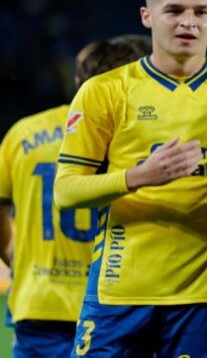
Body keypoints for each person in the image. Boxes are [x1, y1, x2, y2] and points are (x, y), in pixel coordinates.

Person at [53, 0, 207, 357]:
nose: (188, 22)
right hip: (119, 291)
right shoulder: (104, 91)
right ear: (147, 16)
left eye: (200, 12)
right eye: (173, 11)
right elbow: (66, 192)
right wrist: (138, 176)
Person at [0, 35, 150, 358]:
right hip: (113, 303)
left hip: (38, 302)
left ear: (79, 80)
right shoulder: (134, 141)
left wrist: (14, 256)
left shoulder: (22, 133)